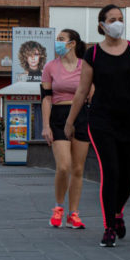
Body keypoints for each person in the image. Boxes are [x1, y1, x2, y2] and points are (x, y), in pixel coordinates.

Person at [65, 5, 130, 248]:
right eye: (112, 19)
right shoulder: (93, 54)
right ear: (102, 25)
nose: (117, 23)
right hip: (100, 121)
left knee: (128, 175)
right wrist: (69, 121)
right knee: (111, 172)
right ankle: (109, 226)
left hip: (128, 120)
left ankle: (118, 212)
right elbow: (81, 91)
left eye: (120, 19)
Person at [41, 28, 89, 229]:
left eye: (62, 39)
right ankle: (58, 207)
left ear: (72, 43)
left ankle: (74, 214)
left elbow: (91, 94)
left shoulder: (85, 66)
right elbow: (46, 98)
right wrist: (45, 126)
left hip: (81, 116)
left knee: (78, 169)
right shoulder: (50, 67)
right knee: (63, 166)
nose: (57, 42)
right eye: (57, 39)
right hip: (59, 117)